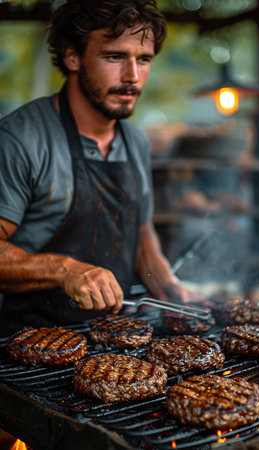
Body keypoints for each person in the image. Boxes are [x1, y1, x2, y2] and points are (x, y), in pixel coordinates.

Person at [0, 0, 202, 336]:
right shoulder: (20, 139)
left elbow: (139, 231)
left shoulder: (135, 141)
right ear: (72, 56)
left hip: (115, 339)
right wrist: (65, 270)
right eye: (115, 57)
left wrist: (165, 283)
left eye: (144, 59)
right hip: (29, 343)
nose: (133, 77)